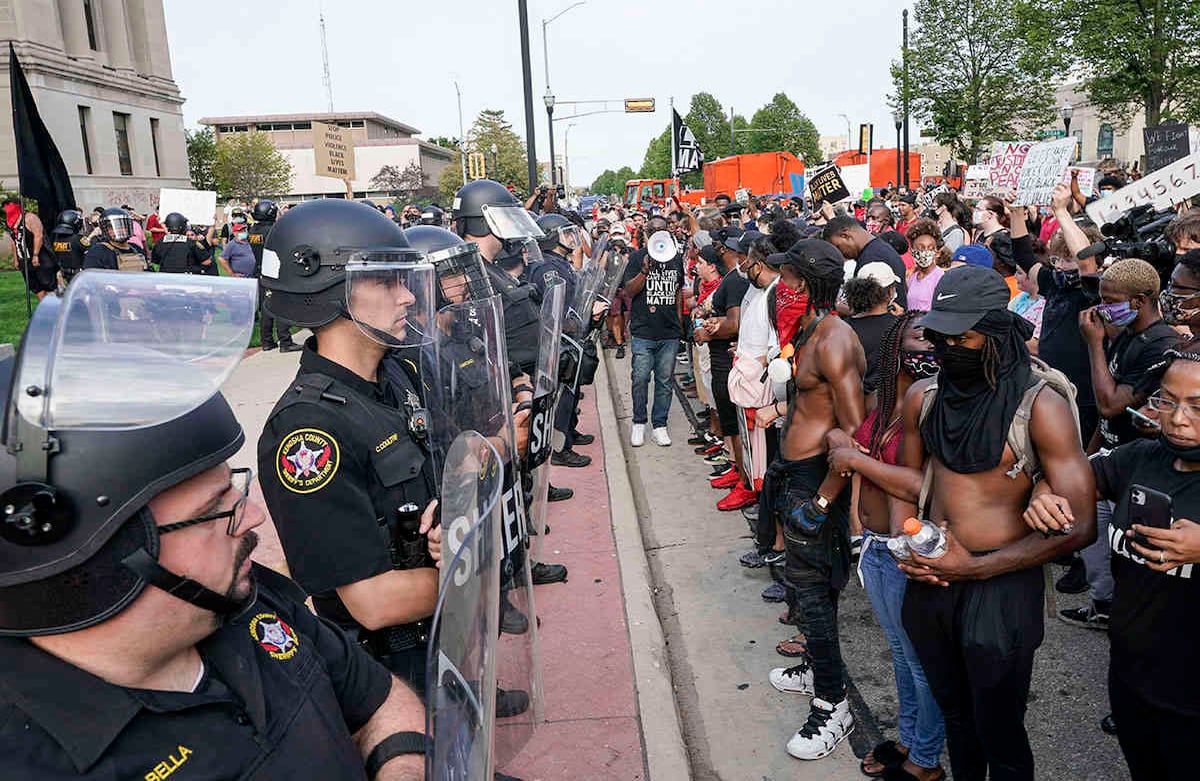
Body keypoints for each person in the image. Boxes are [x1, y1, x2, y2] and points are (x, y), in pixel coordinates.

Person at [0, 274, 428, 779]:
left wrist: (401, 766)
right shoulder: (34, 759)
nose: (253, 517)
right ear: (98, 559)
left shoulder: (248, 600)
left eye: (234, 488)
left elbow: (378, 699)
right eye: (216, 508)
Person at [890, 265, 1096, 781]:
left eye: (965, 337)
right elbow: (907, 483)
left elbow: (1081, 526)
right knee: (957, 719)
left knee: (1000, 728)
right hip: (932, 583)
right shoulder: (925, 396)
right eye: (943, 336)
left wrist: (974, 570)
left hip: (1001, 588)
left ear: (997, 332)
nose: (951, 347)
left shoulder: (1039, 405)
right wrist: (910, 546)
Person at [256, 200, 446, 693]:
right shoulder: (308, 431)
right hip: (392, 673)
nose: (406, 297)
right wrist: (477, 567)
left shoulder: (395, 374)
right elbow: (374, 602)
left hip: (442, 637)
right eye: (386, 281)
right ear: (329, 289)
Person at [1025, 345, 1200, 781]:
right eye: (1167, 401)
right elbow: (1073, 476)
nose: (1178, 419)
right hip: (1132, 674)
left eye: (1198, 407)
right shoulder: (1140, 458)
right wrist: (1042, 492)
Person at [755, 239, 865, 761]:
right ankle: (816, 671)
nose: (783, 287)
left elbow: (852, 433)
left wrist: (822, 501)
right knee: (800, 588)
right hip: (793, 471)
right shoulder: (813, 327)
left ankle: (832, 704)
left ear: (808, 283)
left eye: (790, 278)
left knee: (815, 592)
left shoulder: (836, 339)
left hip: (815, 480)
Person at [826, 312, 946, 781]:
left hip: (904, 546)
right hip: (876, 545)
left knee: (919, 660)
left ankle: (926, 760)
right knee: (900, 653)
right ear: (896, 344)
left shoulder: (932, 402)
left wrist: (854, 457)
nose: (931, 346)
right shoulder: (887, 401)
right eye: (921, 337)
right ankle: (909, 738)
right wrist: (858, 528)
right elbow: (861, 455)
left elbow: (920, 483)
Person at [699, 229, 757, 508]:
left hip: (730, 361)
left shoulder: (736, 281)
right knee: (731, 423)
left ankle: (746, 481)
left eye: (723, 247)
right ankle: (738, 471)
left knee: (738, 426)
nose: (719, 251)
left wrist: (710, 332)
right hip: (725, 359)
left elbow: (734, 324)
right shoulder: (735, 279)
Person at [621, 213, 684, 447]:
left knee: (665, 381)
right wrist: (645, 271)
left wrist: (679, 323)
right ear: (647, 233)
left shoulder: (676, 259)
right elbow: (629, 291)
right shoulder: (637, 258)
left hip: (669, 333)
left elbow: (678, 291)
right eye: (653, 230)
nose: (658, 233)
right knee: (639, 378)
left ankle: (660, 425)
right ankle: (639, 422)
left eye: (662, 230)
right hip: (643, 331)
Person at [823, 215, 908, 308]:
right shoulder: (879, 248)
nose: (840, 254)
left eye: (838, 247)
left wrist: (839, 308)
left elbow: (869, 309)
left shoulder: (871, 259)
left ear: (845, 236)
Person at [248, 200, 299, 352]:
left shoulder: (253, 230)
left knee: (266, 308)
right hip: (275, 272)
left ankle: (267, 341)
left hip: (260, 271)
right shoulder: (273, 230)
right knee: (281, 306)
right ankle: (285, 341)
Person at [844, 263, 902, 394]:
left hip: (853, 400)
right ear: (890, 291)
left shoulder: (845, 327)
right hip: (886, 402)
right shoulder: (899, 327)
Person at [3, 197, 58, 299]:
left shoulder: (30, 218)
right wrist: (16, 259)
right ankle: (46, 309)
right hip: (24, 260)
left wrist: (35, 255)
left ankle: (55, 310)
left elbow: (39, 235)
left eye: (9, 205)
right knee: (36, 287)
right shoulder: (10, 222)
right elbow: (13, 241)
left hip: (40, 258)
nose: (6, 209)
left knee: (48, 286)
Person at [83, 208, 148, 272]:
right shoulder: (98, 252)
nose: (119, 230)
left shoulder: (137, 249)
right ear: (105, 230)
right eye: (111, 227)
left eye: (123, 226)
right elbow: (92, 278)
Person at [906, 219, 947, 311]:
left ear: (936, 252)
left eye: (930, 248)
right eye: (920, 248)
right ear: (912, 251)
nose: (925, 252)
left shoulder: (940, 277)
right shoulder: (912, 276)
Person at [48, 208, 90, 285]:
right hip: (78, 275)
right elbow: (91, 250)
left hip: (63, 274)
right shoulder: (78, 239)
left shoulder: (56, 239)